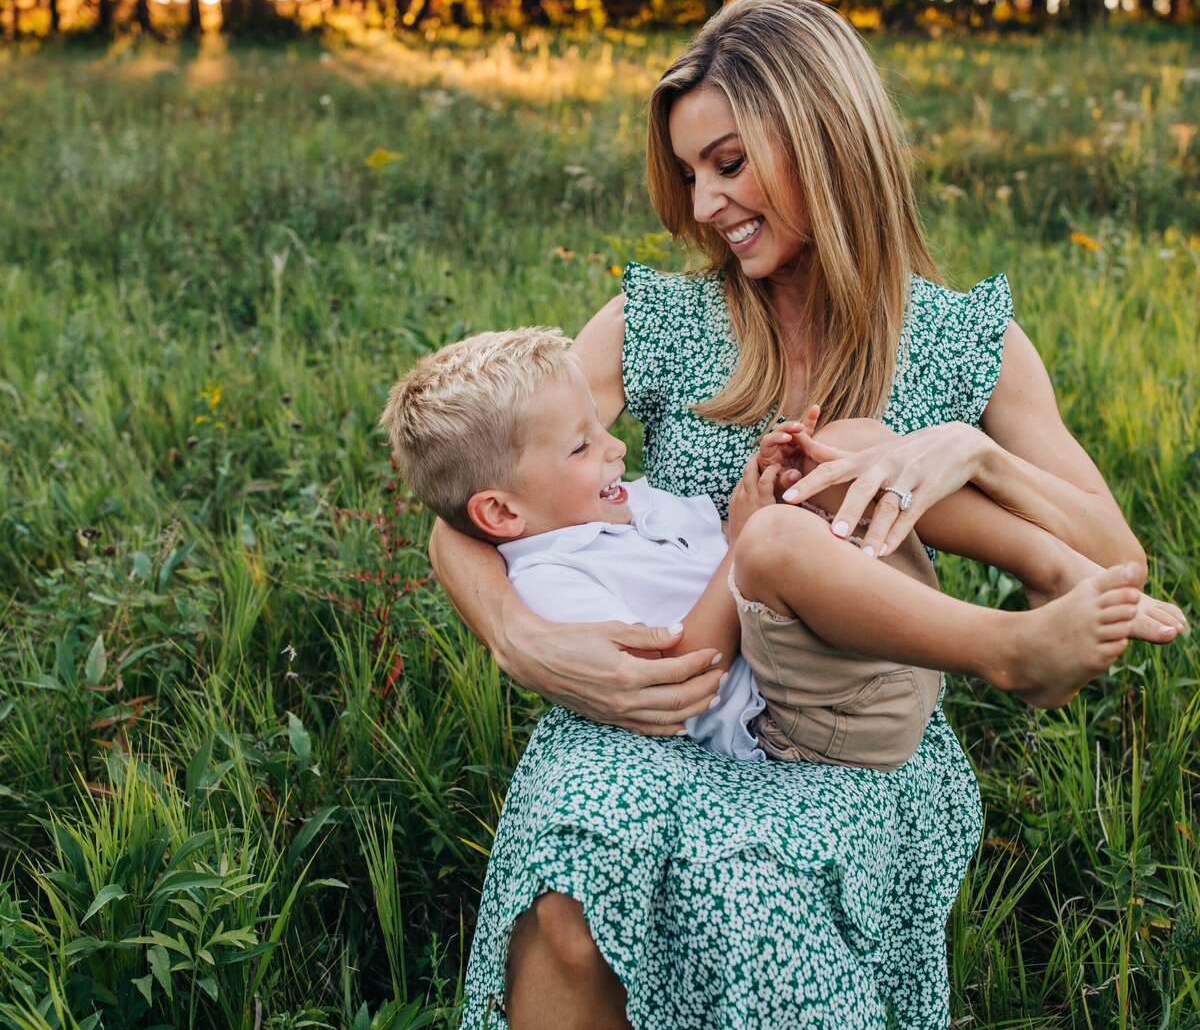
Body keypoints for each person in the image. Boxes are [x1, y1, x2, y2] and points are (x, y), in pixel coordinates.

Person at [427, 0, 1179, 1030]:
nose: (707, 205)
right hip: (662, 703)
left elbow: (1118, 567)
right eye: (692, 172)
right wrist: (522, 641)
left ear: (826, 136)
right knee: (571, 850)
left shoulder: (969, 343)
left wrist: (968, 453)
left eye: (731, 163)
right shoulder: (655, 325)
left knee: (762, 889)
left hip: (843, 729)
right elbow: (469, 491)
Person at [383, 327, 1180, 781]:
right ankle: (1008, 650)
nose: (616, 448)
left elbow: (728, 541)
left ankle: (1051, 570)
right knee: (770, 537)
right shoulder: (553, 573)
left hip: (848, 653)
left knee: (852, 445)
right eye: (587, 445)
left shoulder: (605, 501)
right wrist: (747, 539)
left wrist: (776, 480)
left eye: (730, 165)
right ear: (504, 511)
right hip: (801, 719)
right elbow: (679, 676)